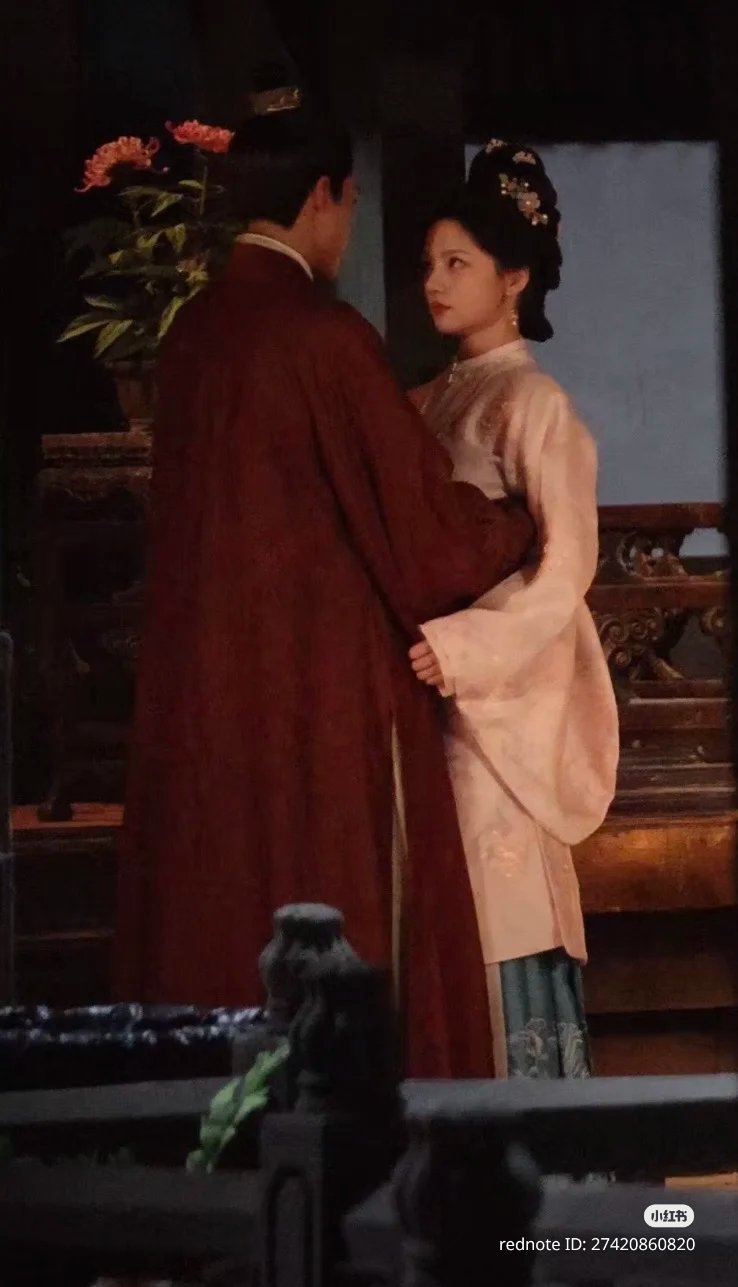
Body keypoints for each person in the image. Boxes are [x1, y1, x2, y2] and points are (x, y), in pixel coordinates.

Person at [113, 88, 536, 1078]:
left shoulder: (192, 335)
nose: (347, 224)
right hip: (319, 684)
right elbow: (423, 537)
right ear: (322, 196)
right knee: (337, 880)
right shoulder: (323, 336)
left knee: (220, 890)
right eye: (348, 203)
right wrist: (514, 521)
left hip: (208, 687)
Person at [409, 140, 619, 1077]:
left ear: (515, 278)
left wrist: (464, 648)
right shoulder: (428, 399)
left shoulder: (534, 401)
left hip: (496, 701)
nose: (434, 282)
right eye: (429, 263)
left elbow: (567, 565)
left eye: (458, 263)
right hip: (432, 689)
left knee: (500, 905)